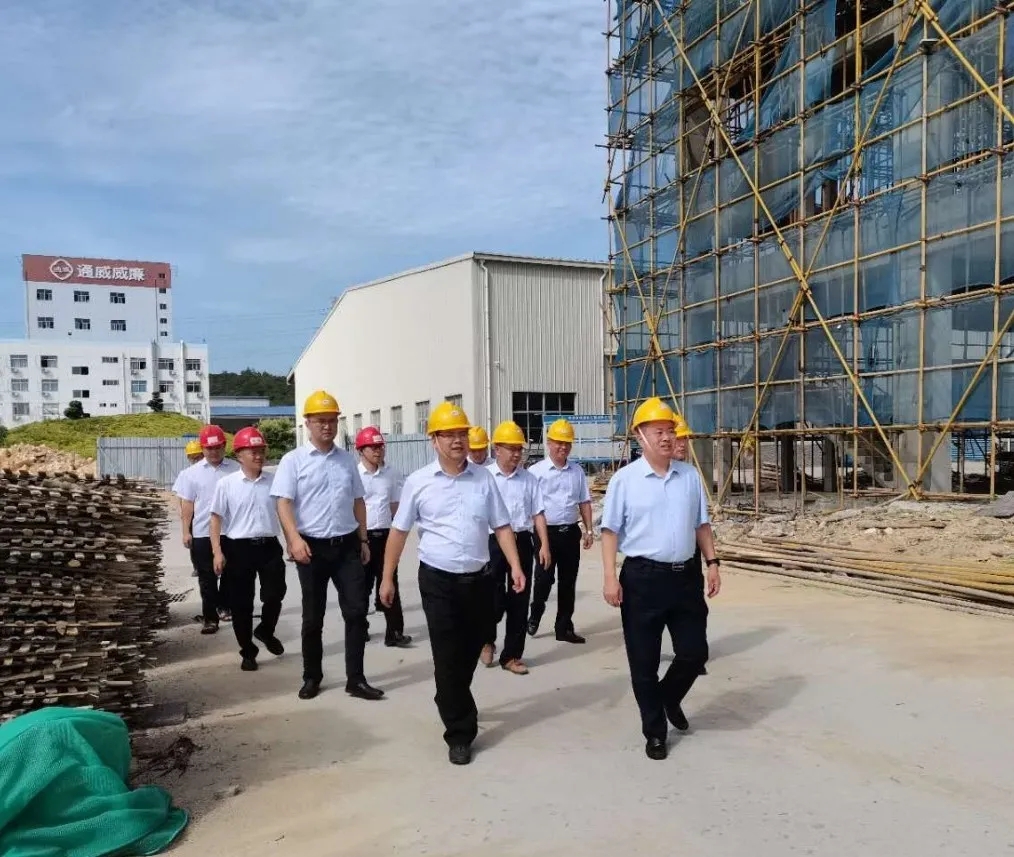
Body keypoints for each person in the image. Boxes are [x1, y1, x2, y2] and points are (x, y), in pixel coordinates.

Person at [379, 402, 524, 766]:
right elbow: (399, 532)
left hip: (479, 580)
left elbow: (501, 525)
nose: (458, 441)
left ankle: (449, 694)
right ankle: (460, 733)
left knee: (472, 647)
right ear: (434, 440)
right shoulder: (419, 482)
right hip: (438, 581)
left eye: (462, 434)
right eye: (449, 435)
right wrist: (387, 577)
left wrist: (515, 565)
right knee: (446, 655)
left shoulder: (484, 479)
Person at [600, 397, 721, 761]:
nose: (668, 437)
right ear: (640, 436)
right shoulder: (625, 481)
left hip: (685, 577)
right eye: (659, 431)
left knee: (694, 652)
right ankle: (655, 732)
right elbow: (609, 532)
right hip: (642, 579)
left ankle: (668, 697)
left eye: (670, 431)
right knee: (644, 663)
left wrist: (713, 562)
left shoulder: (689, 477)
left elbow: (701, 524)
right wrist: (610, 577)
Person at [271, 390, 383, 702]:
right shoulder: (293, 461)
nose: (327, 426)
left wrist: (363, 538)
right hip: (312, 549)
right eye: (321, 420)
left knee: (357, 612)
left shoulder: (347, 460)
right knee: (313, 617)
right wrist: (293, 539)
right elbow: (283, 503)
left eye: (332, 420)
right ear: (307, 423)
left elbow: (358, 501)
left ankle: (356, 679)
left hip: (347, 546)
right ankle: (312, 676)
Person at [209, 426, 287, 672]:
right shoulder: (226, 484)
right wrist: (217, 551)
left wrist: (293, 542)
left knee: (275, 593)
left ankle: (265, 630)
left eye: (261, 451)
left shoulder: (275, 482)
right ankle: (248, 651)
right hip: (238, 548)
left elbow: (285, 514)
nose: (258, 456)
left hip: (269, 546)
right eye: (252, 451)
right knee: (241, 603)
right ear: (239, 455)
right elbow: (215, 519)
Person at [480, 420, 551, 675]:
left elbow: (538, 513)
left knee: (519, 599)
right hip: (492, 543)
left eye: (519, 449)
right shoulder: (485, 477)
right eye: (511, 448)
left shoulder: (529, 479)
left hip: (521, 541)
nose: (517, 454)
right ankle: (487, 640)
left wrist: (544, 545)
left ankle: (511, 655)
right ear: (497, 449)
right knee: (492, 598)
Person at [527, 418, 594, 644]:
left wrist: (589, 530)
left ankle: (564, 627)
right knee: (543, 579)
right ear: (549, 443)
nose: (562, 447)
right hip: (545, 534)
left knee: (568, 582)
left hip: (570, 533)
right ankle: (535, 614)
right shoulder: (536, 472)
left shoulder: (577, 471)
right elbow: (532, 507)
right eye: (558, 442)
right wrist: (541, 540)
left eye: (567, 443)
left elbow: (584, 501)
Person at [175, 425, 240, 634]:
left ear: (224, 446)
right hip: (203, 532)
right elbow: (187, 505)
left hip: (232, 532)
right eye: (209, 448)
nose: (214, 452)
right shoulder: (190, 474)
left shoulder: (236, 469)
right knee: (207, 578)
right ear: (202, 448)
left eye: (218, 447)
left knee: (231, 573)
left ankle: (225, 606)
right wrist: (186, 531)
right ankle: (210, 618)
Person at [355, 425, 412, 648]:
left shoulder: (391, 474)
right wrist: (359, 539)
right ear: (361, 450)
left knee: (390, 582)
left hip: (386, 536)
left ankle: (394, 632)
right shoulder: (354, 475)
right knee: (361, 587)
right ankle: (359, 628)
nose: (378, 451)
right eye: (372, 447)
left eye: (380, 446)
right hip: (362, 537)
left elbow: (395, 505)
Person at [173, 439, 205, 579]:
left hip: (208, 512)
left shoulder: (210, 472)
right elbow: (179, 495)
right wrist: (180, 510)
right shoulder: (185, 474)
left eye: (198, 456)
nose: (196, 460)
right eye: (193, 457)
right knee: (195, 543)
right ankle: (197, 567)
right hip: (192, 514)